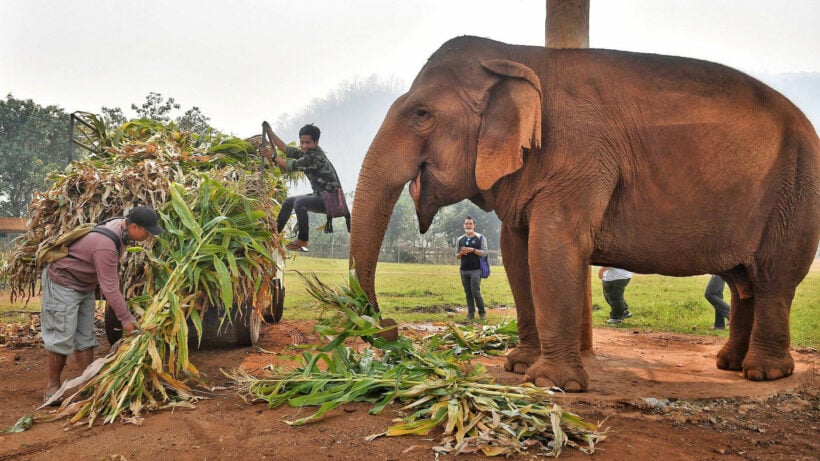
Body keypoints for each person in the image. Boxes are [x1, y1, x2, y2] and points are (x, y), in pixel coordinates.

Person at [40, 206, 164, 403]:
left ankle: (88, 382)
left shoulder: (121, 230)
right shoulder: (106, 244)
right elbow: (110, 288)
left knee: (85, 335)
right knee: (61, 334)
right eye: (147, 231)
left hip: (84, 284)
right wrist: (126, 319)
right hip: (62, 282)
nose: (149, 235)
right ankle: (52, 385)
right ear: (133, 226)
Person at [262, 123, 343, 252]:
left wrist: (272, 156)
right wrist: (270, 133)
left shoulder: (314, 157)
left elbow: (289, 165)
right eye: (302, 142)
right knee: (289, 201)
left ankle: (303, 240)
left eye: (308, 143)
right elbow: (286, 149)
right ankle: (274, 234)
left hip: (331, 200)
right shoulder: (307, 153)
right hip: (321, 196)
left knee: (299, 202)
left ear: (316, 142)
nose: (304, 146)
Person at [456, 216, 488, 320]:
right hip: (463, 270)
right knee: (468, 292)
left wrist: (472, 250)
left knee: (475, 291)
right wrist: (461, 252)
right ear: (463, 225)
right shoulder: (459, 239)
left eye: (470, 224)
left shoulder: (481, 238)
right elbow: (456, 256)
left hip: (476, 270)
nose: (468, 225)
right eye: (466, 224)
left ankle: (482, 313)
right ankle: (470, 314)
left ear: (474, 225)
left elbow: (485, 253)